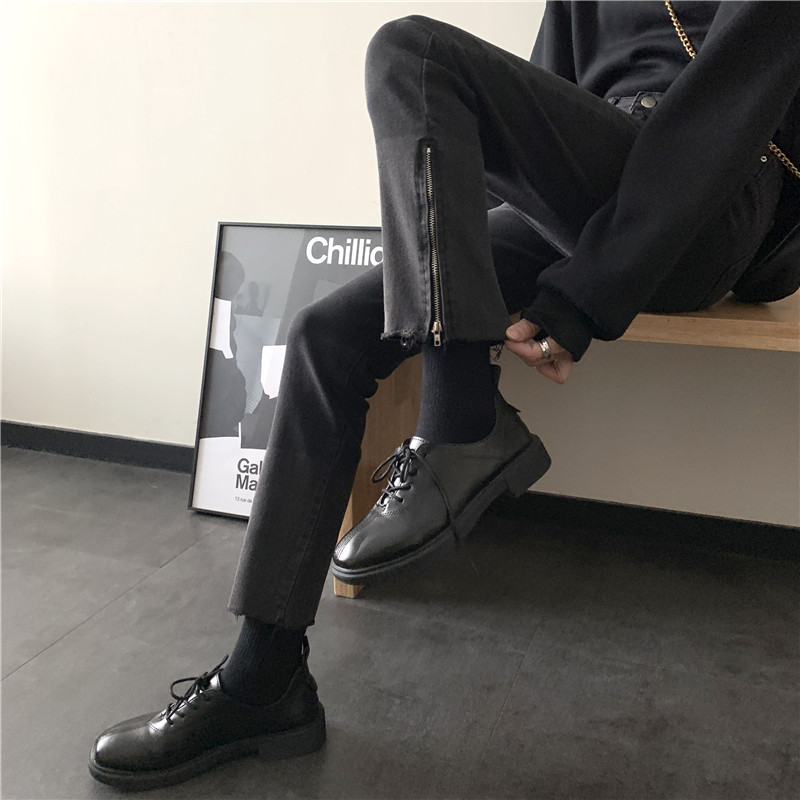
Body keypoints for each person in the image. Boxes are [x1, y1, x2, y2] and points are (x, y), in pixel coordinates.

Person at [88, 1, 800, 790]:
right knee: (327, 333)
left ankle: (461, 425)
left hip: (708, 207)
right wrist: (457, 272)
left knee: (411, 52)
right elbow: (534, 111)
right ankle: (265, 680)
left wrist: (581, 299)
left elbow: (728, 113)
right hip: (589, 197)